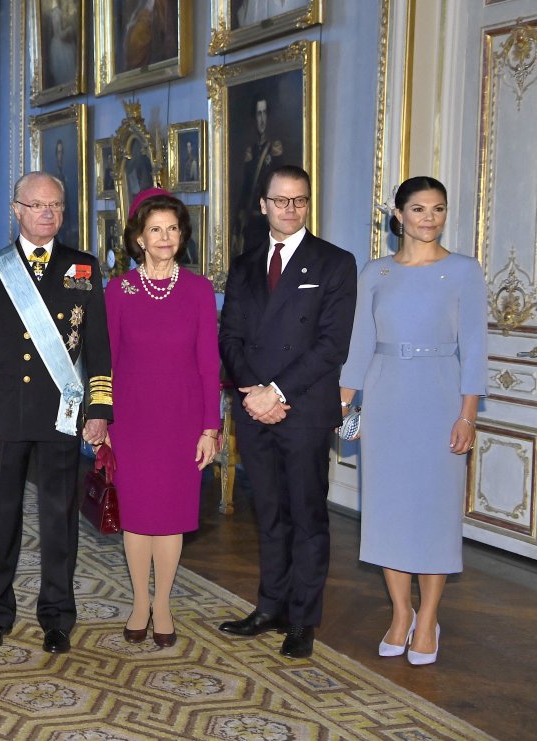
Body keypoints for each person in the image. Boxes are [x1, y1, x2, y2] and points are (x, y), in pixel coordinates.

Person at [0, 171, 112, 654]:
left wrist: (99, 407)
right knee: (1, 518)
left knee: (59, 520)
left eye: (56, 205)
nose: (48, 213)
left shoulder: (83, 268)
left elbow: (99, 347)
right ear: (17, 210)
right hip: (5, 415)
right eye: (37, 205)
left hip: (61, 414)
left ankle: (57, 617)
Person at [338, 177, 487, 666]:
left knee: (435, 512)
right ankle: (401, 613)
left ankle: (428, 620)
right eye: (419, 209)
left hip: (441, 395)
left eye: (438, 209)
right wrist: (342, 405)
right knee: (389, 510)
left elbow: (475, 350)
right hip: (385, 398)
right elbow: (359, 343)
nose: (430, 219)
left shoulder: (465, 271)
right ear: (397, 215)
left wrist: (467, 414)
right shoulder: (375, 272)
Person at [217, 164, 356, 659]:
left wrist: (275, 391)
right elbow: (229, 336)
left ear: (308, 205)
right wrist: (254, 391)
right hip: (255, 407)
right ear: (263, 205)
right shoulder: (245, 264)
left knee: (307, 515)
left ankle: (303, 618)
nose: (289, 209)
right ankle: (270, 606)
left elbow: (331, 346)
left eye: (298, 200)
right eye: (280, 201)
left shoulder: (335, 263)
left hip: (303, 408)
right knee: (269, 513)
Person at [105, 189, 219, 648]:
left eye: (172, 228)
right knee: (136, 515)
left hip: (182, 419)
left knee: (170, 516)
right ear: (139, 237)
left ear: (182, 235)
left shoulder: (198, 290)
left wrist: (210, 427)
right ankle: (138, 602)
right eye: (156, 229)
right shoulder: (119, 291)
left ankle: (165, 604)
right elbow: (106, 362)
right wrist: (103, 422)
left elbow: (210, 363)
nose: (165, 237)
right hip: (131, 419)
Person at [233, 96, 283, 257]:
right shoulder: (251, 151)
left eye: (264, 113)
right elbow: (246, 188)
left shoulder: (275, 149)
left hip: (268, 223)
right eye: (258, 114)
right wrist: (238, 221)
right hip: (252, 221)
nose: (261, 119)